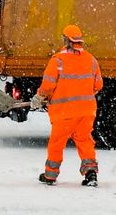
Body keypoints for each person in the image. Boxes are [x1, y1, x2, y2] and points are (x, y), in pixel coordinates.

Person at [31, 24, 103, 187]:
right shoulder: (91, 60)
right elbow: (98, 85)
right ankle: (91, 173)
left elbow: (48, 85)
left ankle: (50, 175)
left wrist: (39, 97)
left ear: (65, 39)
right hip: (86, 112)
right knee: (85, 141)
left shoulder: (58, 60)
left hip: (64, 113)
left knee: (57, 143)